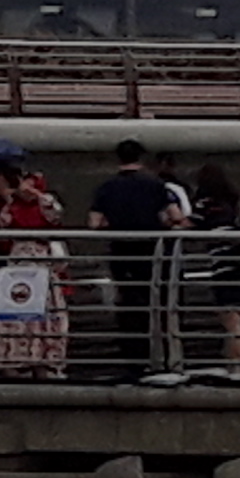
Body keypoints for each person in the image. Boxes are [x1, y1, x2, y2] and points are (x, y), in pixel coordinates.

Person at [83, 140, 171, 380]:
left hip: (121, 251)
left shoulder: (106, 187)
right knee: (153, 301)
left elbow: (94, 223)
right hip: (150, 251)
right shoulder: (155, 185)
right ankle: (158, 356)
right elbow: (170, 216)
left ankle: (132, 357)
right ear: (141, 158)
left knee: (128, 301)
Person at [0, 159, 66, 377]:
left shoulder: (46, 201)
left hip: (40, 259)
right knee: (18, 307)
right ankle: (18, 357)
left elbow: (55, 215)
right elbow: (3, 223)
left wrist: (35, 193)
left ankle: (47, 358)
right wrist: (9, 197)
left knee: (45, 308)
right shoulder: (11, 204)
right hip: (18, 260)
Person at [189, 163, 240, 374]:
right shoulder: (233, 201)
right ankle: (234, 362)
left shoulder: (204, 203)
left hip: (222, 263)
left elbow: (191, 224)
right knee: (233, 316)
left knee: (230, 319)